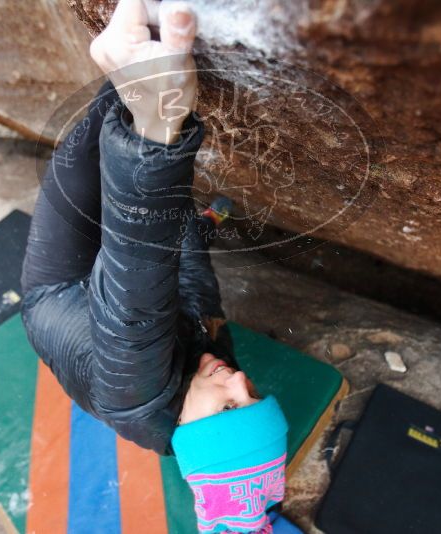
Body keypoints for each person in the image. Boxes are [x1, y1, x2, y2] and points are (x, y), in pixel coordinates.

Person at [20, 1, 288, 531]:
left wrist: (156, 132)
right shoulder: (208, 383)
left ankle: (132, 51)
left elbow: (137, 278)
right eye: (254, 396)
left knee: (95, 148)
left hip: (60, 292)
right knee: (177, 228)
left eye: (230, 408)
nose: (239, 381)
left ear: (187, 431)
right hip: (128, 298)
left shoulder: (136, 392)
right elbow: (194, 296)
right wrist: (190, 231)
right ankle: (196, 218)